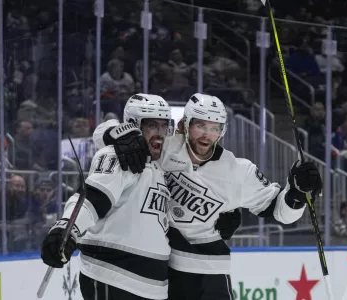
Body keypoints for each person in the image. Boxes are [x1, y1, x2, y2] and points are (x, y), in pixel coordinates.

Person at [99, 93, 323, 300]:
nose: (207, 135)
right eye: (200, 125)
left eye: (215, 128)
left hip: (209, 272)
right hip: (163, 268)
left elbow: (281, 213)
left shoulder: (239, 171)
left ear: (222, 131)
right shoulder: (165, 147)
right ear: (185, 125)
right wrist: (115, 134)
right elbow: (105, 134)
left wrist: (296, 194)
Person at [40, 94, 173, 300]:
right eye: (152, 125)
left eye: (164, 126)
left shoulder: (165, 163)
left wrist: (111, 130)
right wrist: (67, 229)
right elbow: (94, 197)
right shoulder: (119, 155)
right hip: (114, 277)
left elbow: (104, 129)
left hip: (153, 286)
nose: (160, 133)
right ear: (133, 125)